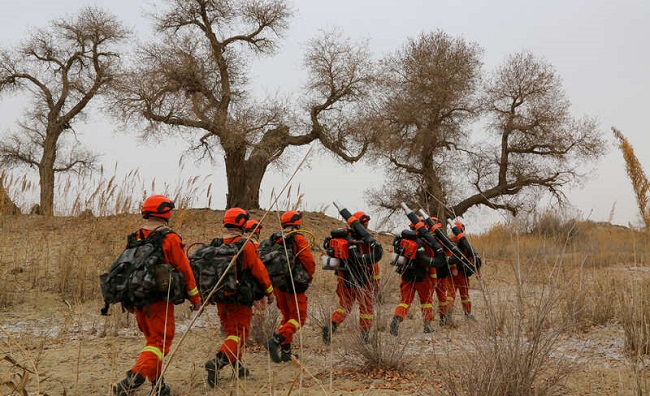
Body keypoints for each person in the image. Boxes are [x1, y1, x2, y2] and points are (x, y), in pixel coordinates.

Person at [112, 195, 201, 396]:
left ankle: (158, 385)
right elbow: (185, 269)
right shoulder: (170, 238)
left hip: (136, 299)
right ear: (166, 212)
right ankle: (133, 379)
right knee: (161, 342)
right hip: (159, 300)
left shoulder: (135, 237)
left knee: (153, 342)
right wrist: (195, 298)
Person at [204, 208, 274, 388]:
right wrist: (269, 290)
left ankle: (238, 367)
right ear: (242, 223)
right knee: (239, 334)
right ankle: (217, 362)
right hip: (239, 297)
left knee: (231, 333)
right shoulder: (246, 244)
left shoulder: (217, 243)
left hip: (220, 296)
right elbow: (258, 269)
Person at [322, 211, 382, 345]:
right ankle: (364, 336)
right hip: (363, 279)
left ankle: (331, 325)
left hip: (344, 278)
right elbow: (373, 263)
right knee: (366, 308)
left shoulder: (343, 237)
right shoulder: (366, 241)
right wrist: (376, 282)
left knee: (345, 306)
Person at [264, 211, 316, 363]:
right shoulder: (298, 238)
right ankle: (275, 341)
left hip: (279, 285)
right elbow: (308, 260)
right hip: (294, 284)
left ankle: (286, 352)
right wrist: (309, 276)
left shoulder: (275, 238)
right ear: (297, 223)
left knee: (287, 317)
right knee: (299, 317)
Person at [389, 225, 445, 336]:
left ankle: (397, 318)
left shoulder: (403, 241)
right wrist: (434, 279)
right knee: (426, 302)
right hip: (422, 276)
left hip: (406, 274)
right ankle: (427, 325)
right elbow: (431, 264)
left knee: (405, 301)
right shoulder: (426, 242)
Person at [448, 221, 480, 320]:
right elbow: (473, 259)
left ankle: (447, 315)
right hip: (460, 274)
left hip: (457, 274)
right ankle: (467, 313)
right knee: (463, 295)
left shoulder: (449, 242)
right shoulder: (464, 243)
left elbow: (472, 258)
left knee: (451, 295)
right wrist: (478, 273)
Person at [244, 219, 267, 321]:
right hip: (255, 281)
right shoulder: (258, 246)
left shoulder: (239, 244)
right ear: (257, 231)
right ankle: (259, 323)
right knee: (259, 305)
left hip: (240, 281)